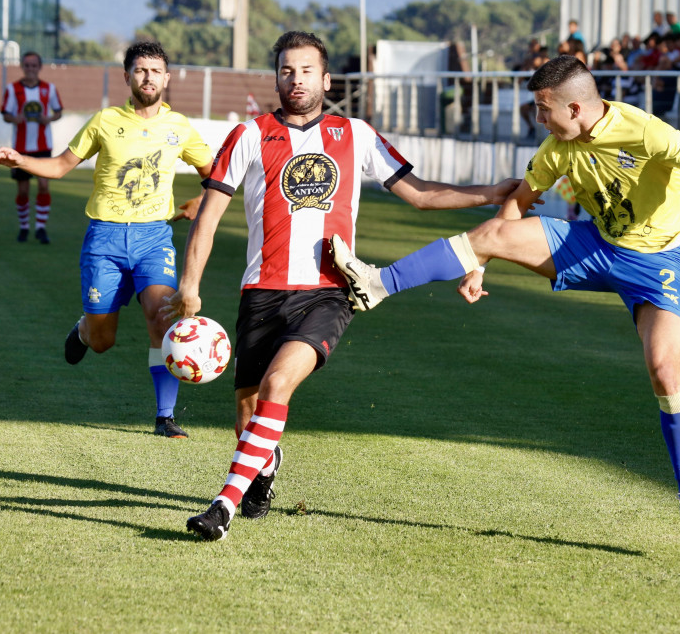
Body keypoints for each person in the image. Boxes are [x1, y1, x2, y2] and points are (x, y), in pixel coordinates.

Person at [331, 55, 680, 538]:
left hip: (659, 265)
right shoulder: (556, 149)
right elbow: (517, 205)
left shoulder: (644, 130)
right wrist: (480, 263)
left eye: (544, 109)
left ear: (577, 108)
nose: (538, 118)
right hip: (596, 246)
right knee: (489, 233)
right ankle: (377, 285)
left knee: (665, 372)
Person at [163, 31, 517, 542]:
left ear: (326, 80)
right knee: (248, 415)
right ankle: (265, 463)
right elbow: (209, 217)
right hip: (260, 292)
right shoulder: (248, 135)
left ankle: (222, 506)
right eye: (287, 70)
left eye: (307, 70)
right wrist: (190, 285)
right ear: (277, 78)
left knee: (277, 387)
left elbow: (418, 195)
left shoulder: (356, 134)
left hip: (328, 292)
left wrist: (489, 193)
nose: (296, 79)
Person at [0, 41, 213, 439]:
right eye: (140, 70)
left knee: (162, 320)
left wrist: (202, 198)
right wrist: (20, 159)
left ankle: (165, 417)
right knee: (102, 341)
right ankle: (83, 330)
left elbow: (214, 175)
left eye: (156, 70)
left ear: (167, 77)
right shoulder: (104, 121)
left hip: (153, 239)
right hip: (104, 241)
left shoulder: (179, 127)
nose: (148, 77)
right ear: (127, 76)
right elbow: (59, 166)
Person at [0, 52, 63, 244]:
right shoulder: (13, 89)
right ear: (22, 67)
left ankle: (41, 228)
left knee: (43, 185)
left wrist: (49, 118)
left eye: (34, 65)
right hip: (20, 147)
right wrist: (15, 118)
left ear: (39, 67)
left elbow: (58, 111)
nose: (30, 69)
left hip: (43, 146)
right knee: (23, 190)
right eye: (27, 65)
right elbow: (6, 114)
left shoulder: (49, 88)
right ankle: (24, 227)